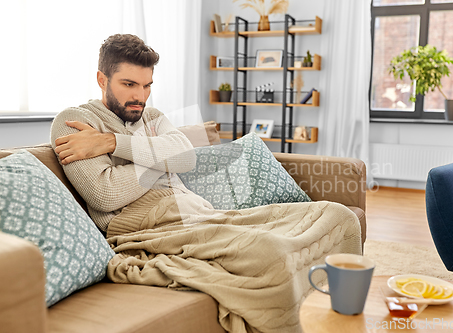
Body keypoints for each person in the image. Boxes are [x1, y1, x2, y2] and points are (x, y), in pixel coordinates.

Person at [50, 34, 362, 333]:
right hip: (150, 228)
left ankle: (341, 320)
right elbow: (107, 193)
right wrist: (162, 159)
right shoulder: (74, 121)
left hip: (201, 213)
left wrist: (112, 143)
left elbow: (186, 158)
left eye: (147, 85)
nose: (140, 96)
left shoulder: (152, 116)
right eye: (129, 84)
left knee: (339, 217)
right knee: (270, 252)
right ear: (102, 79)